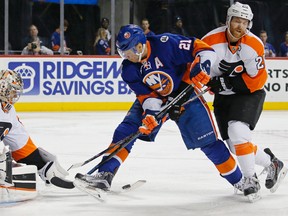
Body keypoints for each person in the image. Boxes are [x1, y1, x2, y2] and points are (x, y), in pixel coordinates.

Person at [74, 24, 244, 199]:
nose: (125, 56)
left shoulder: (166, 43)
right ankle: (104, 175)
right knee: (127, 129)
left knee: (208, 143)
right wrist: (151, 115)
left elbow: (203, 49)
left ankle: (240, 181)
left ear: (139, 46)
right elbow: (147, 96)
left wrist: (203, 65)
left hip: (186, 92)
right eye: (122, 52)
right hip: (158, 97)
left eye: (127, 52)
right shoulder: (129, 69)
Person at [202, 2, 287, 201]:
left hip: (249, 94)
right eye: (236, 21)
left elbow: (258, 80)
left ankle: (251, 179)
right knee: (236, 146)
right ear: (228, 21)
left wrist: (226, 82)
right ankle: (272, 163)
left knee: (238, 132)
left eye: (244, 22)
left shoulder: (254, 44)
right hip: (223, 98)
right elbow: (197, 69)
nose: (240, 26)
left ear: (249, 24)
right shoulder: (209, 41)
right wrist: (207, 81)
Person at [0, 69, 70, 202]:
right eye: (13, 90)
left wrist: (41, 165)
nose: (14, 95)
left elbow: (21, 144)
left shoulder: (8, 110)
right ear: (3, 87)